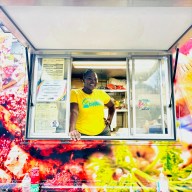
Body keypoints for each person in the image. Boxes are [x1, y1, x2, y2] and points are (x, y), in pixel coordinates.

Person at [69, 69, 115, 140]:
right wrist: (72, 130)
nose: (93, 81)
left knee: (106, 151)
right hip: (83, 134)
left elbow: (112, 106)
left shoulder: (101, 93)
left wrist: (109, 119)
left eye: (95, 79)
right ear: (83, 80)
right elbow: (74, 111)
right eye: (89, 79)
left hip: (103, 132)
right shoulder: (75, 93)